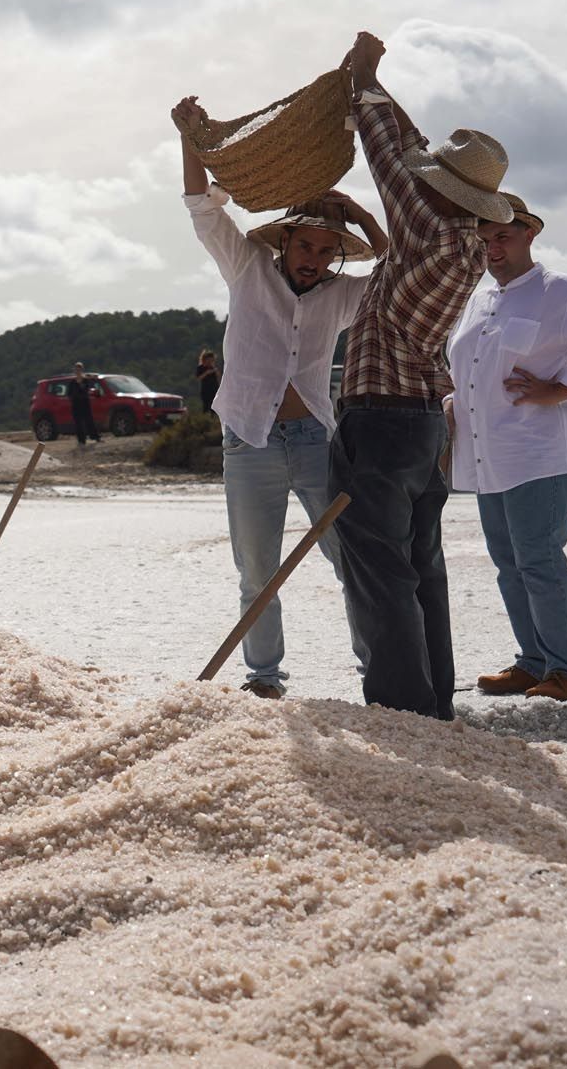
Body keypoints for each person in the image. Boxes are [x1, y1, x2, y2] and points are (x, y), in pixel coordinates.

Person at [176, 93, 390, 697]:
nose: (315, 260)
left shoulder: (344, 294)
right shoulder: (246, 267)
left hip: (315, 440)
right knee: (257, 569)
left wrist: (357, 214)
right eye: (306, 247)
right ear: (286, 241)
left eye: (327, 251)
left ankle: (378, 668)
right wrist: (189, 138)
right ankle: (264, 678)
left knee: (349, 561)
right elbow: (202, 207)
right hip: (248, 438)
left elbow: (399, 271)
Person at [329, 30, 514, 721]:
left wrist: (365, 78)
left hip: (378, 419)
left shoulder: (426, 225)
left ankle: (404, 709)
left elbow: (388, 154)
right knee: (420, 568)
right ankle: (433, 703)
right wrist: (377, 90)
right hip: (418, 422)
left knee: (380, 570)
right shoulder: (463, 242)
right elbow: (410, 157)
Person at [448, 193, 567, 705]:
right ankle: (533, 663)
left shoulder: (561, 292)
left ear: (531, 233)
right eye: (483, 239)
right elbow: (471, 369)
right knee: (509, 562)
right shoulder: (478, 300)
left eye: (502, 235)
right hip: (489, 455)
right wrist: (451, 400)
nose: (492, 247)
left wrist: (561, 387)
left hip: (541, 453)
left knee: (540, 561)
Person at [67, 363, 101, 446]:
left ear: (82, 370)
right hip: (76, 404)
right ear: (74, 370)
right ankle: (81, 440)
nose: (78, 371)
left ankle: (95, 437)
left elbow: (88, 389)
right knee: (78, 422)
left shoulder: (86, 381)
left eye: (79, 369)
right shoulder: (72, 382)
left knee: (89, 421)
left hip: (85, 403)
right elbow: (69, 393)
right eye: (76, 369)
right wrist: (73, 398)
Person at [194, 350, 221, 415]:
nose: (210, 361)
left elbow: (219, 376)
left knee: (214, 407)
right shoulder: (201, 367)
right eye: (209, 359)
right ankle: (204, 420)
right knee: (206, 406)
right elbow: (199, 378)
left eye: (212, 360)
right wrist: (207, 373)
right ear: (205, 359)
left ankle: (213, 420)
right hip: (205, 390)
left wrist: (214, 369)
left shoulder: (213, 367)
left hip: (214, 389)